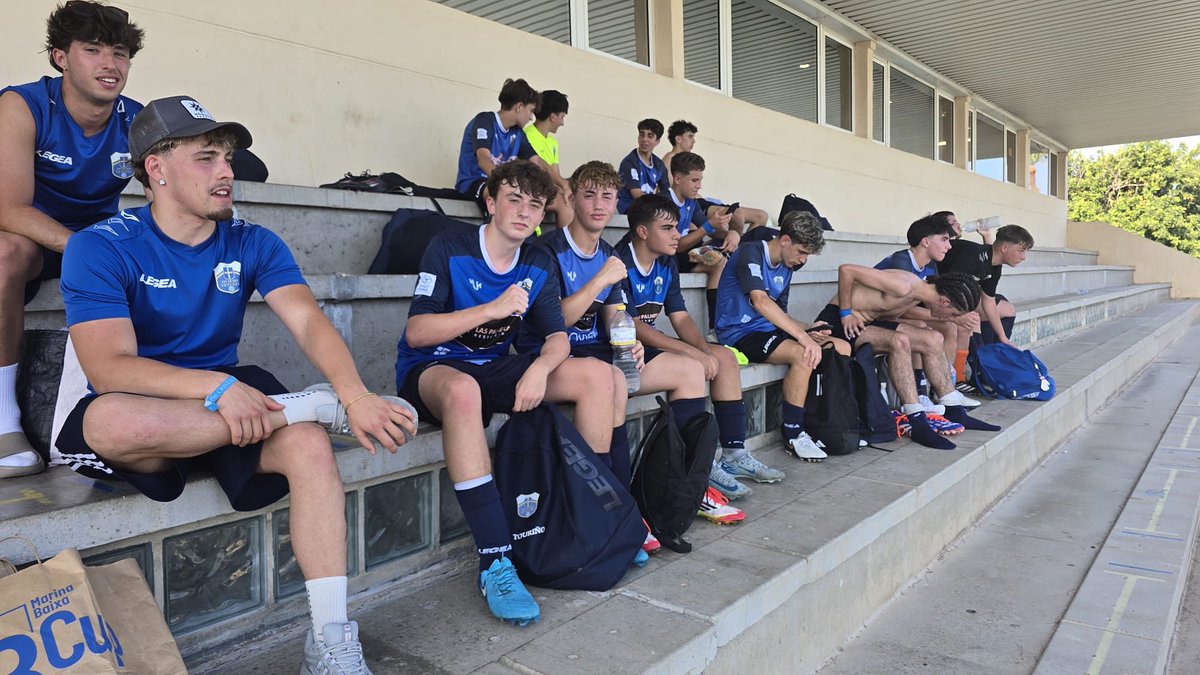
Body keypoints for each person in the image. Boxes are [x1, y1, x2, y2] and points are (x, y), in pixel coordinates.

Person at [57, 96, 417, 673]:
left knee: (309, 444)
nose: (227, 171)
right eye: (207, 158)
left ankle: (330, 641)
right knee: (107, 421)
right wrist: (217, 391)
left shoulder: (253, 240)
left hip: (229, 395)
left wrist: (353, 395)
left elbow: (306, 320)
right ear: (157, 167)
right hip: (155, 398)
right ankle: (305, 407)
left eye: (227, 158)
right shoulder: (99, 245)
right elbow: (110, 369)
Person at [395, 160, 628, 626]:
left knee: (600, 376)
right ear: (491, 201)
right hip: (434, 367)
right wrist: (491, 309)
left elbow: (557, 335)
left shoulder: (538, 260)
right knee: (463, 392)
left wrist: (541, 369)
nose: (524, 212)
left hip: (502, 367)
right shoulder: (449, 247)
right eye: (514, 199)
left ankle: (597, 523)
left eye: (535, 204)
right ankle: (496, 560)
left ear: (544, 214)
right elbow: (418, 331)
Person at [0, 1, 146, 478]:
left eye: (120, 53)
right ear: (60, 56)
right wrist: (84, 248)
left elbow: (173, 189)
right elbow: (9, 208)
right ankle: (3, 419)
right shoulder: (22, 105)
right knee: (4, 256)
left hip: (96, 238)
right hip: (29, 235)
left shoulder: (137, 119)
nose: (110, 64)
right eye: (93, 50)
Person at [620, 193, 785, 512]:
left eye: (676, 228)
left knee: (722, 357)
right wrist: (691, 353)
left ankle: (735, 454)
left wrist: (701, 348)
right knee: (692, 366)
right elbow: (635, 326)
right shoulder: (621, 261)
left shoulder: (665, 262)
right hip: (626, 350)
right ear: (643, 232)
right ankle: (697, 468)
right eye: (668, 229)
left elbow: (679, 316)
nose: (677, 236)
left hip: (650, 345)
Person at [813, 266, 1001, 450]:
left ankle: (954, 409)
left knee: (932, 338)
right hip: (839, 323)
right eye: (953, 313)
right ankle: (916, 419)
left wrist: (929, 325)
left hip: (866, 323)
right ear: (944, 302)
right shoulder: (903, 285)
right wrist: (845, 314)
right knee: (899, 341)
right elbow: (847, 270)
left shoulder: (918, 293)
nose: (950, 318)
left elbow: (897, 313)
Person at [715, 211, 850, 461]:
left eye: (807, 255)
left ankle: (829, 423)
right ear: (785, 240)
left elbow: (780, 314)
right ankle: (793, 434)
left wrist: (810, 327)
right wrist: (804, 337)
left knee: (839, 346)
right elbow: (760, 301)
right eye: (801, 252)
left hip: (766, 328)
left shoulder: (788, 265)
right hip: (739, 332)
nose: (802, 260)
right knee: (803, 353)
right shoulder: (750, 252)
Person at [874, 214, 980, 402]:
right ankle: (921, 390)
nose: (949, 246)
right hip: (876, 317)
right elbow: (900, 309)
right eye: (944, 240)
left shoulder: (930, 264)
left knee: (950, 326)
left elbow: (931, 303)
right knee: (922, 326)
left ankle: (947, 384)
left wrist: (955, 314)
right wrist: (952, 316)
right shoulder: (902, 263)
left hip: (895, 315)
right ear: (925, 242)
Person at [665, 151, 738, 331]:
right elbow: (676, 245)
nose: (699, 186)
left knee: (720, 261)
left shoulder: (691, 202)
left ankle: (714, 328)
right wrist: (707, 227)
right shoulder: (663, 202)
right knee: (715, 256)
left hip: (684, 255)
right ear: (677, 178)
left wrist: (732, 233)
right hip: (667, 258)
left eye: (700, 180)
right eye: (695, 180)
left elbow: (710, 228)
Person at [938, 219, 1035, 349]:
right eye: (1021, 251)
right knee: (971, 320)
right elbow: (946, 288)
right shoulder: (973, 256)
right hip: (935, 295)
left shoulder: (995, 266)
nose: (1024, 257)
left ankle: (993, 353)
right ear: (1005, 248)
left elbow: (989, 301)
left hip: (954, 297)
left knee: (1003, 310)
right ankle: (976, 362)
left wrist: (1002, 337)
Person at [454, 78, 540, 208]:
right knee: (507, 197)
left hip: (503, 185)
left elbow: (536, 162)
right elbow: (483, 160)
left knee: (559, 201)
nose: (531, 117)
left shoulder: (518, 133)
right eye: (531, 110)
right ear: (519, 106)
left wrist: (560, 185)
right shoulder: (485, 120)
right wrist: (507, 184)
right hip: (473, 183)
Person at [524, 89, 573, 229]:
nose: (562, 123)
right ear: (553, 116)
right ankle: (565, 248)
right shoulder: (527, 135)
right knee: (566, 203)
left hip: (547, 191)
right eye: (562, 117)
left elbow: (556, 176)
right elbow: (537, 171)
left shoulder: (553, 142)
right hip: (531, 190)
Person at [616, 118, 670, 214]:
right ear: (638, 137)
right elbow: (637, 196)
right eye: (642, 134)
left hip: (648, 209)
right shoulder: (629, 162)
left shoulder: (659, 165)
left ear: (657, 141)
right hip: (629, 210)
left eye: (650, 136)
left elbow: (667, 192)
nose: (644, 139)